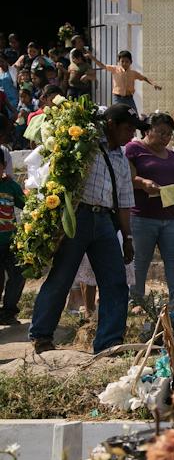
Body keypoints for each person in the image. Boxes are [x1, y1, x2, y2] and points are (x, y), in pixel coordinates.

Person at [29, 104, 143, 354]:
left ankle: (109, 341)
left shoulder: (121, 161)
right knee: (62, 277)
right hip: (77, 217)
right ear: (111, 124)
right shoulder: (85, 144)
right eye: (127, 128)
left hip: (104, 222)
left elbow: (124, 203)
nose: (131, 135)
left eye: (133, 130)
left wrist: (128, 238)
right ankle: (42, 335)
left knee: (115, 281)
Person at [126, 112, 174, 308]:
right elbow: (127, 177)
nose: (165, 138)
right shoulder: (134, 149)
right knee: (140, 261)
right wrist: (143, 183)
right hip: (143, 216)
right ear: (147, 130)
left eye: (169, 134)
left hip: (171, 217)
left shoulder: (172, 155)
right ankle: (136, 300)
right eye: (161, 132)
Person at [0, 115, 24, 325]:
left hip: (10, 241)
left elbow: (25, 204)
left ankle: (8, 312)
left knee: (18, 275)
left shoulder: (10, 186)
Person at [87, 49, 162, 112]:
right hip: (118, 99)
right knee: (119, 115)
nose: (124, 63)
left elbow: (144, 78)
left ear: (131, 62)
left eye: (127, 61)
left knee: (133, 115)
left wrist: (153, 84)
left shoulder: (133, 73)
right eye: (122, 61)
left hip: (129, 99)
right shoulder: (115, 69)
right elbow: (102, 66)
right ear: (118, 61)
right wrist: (92, 57)